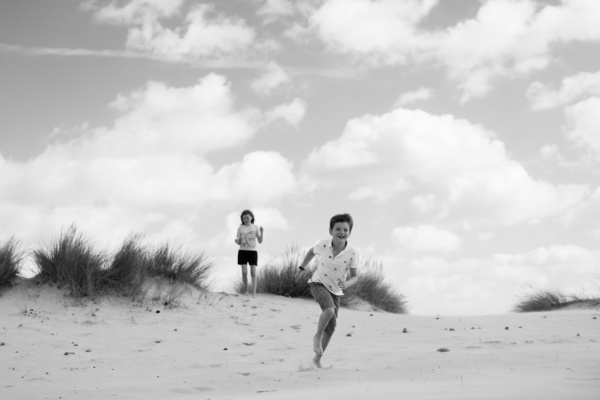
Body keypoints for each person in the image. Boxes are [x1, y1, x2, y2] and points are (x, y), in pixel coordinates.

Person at [298, 213, 359, 368]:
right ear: (330, 230)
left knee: (331, 329)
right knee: (329, 310)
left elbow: (355, 277)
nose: (342, 232)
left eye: (345, 229)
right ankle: (316, 336)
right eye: (338, 229)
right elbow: (312, 252)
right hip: (318, 283)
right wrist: (302, 267)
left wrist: (347, 283)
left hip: (336, 290)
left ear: (349, 232)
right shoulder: (323, 244)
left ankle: (316, 360)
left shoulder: (353, 252)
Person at [235, 209, 264, 297]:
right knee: (244, 272)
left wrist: (262, 232)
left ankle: (254, 293)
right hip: (242, 252)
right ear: (242, 219)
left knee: (253, 273)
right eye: (244, 218)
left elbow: (260, 241)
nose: (246, 220)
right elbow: (239, 241)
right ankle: (246, 291)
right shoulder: (240, 228)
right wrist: (237, 241)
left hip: (253, 252)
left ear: (251, 217)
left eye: (247, 218)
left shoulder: (255, 227)